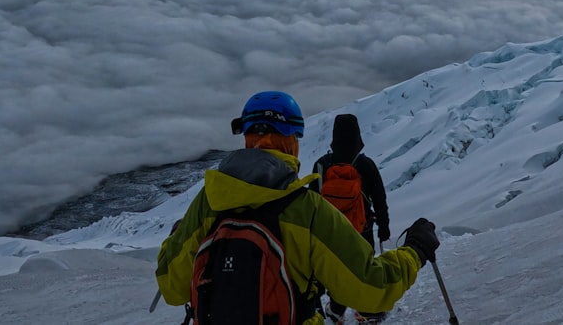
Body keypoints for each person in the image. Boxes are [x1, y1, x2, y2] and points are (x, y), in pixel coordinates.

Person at [155, 91, 440, 325]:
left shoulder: (208, 202)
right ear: (291, 142)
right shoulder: (307, 210)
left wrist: (175, 239)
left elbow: (172, 286)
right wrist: (416, 250)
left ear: (246, 138)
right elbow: (372, 288)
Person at [309, 113, 391, 324]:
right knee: (363, 270)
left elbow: (311, 202)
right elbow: (379, 199)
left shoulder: (322, 164)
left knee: (333, 271)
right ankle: (368, 311)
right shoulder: (365, 165)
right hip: (361, 231)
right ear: (357, 137)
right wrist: (384, 227)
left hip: (330, 233)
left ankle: (335, 310)